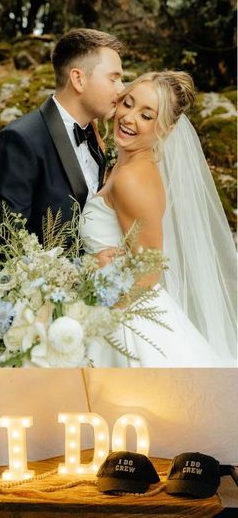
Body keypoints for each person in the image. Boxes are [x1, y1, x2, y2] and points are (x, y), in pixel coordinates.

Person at [80, 71, 237, 366]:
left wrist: (96, 311)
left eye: (147, 115)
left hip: (125, 321)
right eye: (128, 104)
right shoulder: (126, 164)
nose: (129, 118)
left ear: (165, 129)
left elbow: (150, 270)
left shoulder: (132, 180)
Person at [0, 28, 124, 261]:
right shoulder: (19, 142)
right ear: (78, 79)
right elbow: (0, 249)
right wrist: (78, 273)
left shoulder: (96, 140)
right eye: (113, 78)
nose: (121, 89)